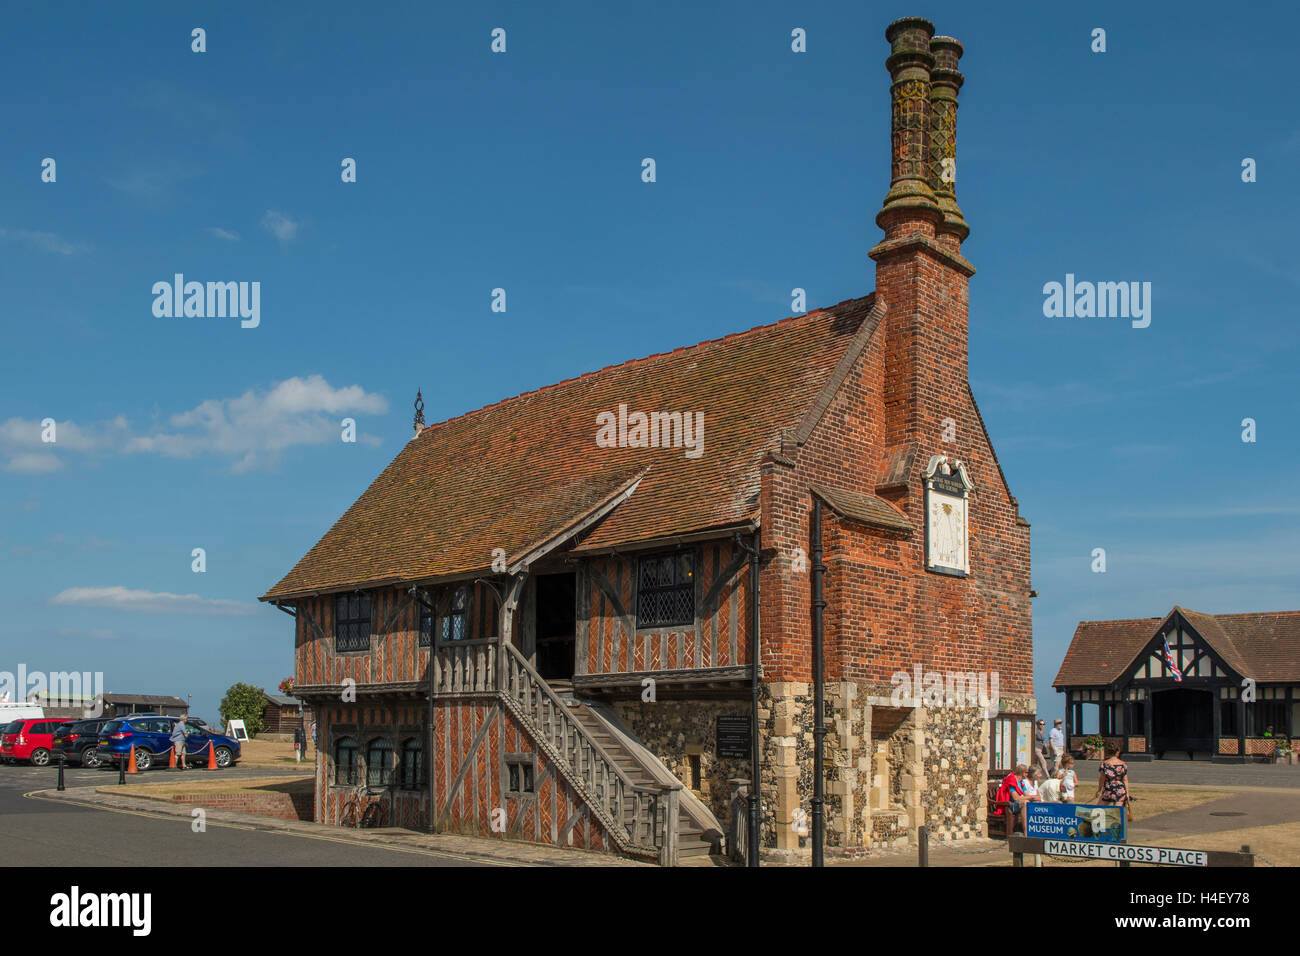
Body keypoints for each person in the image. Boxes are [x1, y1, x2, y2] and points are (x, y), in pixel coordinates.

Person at [1091, 741, 1133, 812]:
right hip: (1120, 789)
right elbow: (1125, 780)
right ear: (1117, 752)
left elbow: (1102, 779)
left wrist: (1099, 790)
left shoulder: (1105, 764)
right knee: (1117, 812)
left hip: (1108, 788)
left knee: (1098, 810)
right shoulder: (1123, 764)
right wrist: (1127, 793)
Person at [995, 764, 1031, 832]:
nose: (1027, 774)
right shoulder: (1012, 780)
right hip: (1010, 805)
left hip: (1017, 804)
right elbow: (1015, 798)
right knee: (1025, 803)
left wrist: (1033, 798)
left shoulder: (1021, 782)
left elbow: (1027, 794)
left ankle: (1035, 829)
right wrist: (1031, 797)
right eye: (1026, 772)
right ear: (1022, 773)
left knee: (1034, 802)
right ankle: (1026, 831)